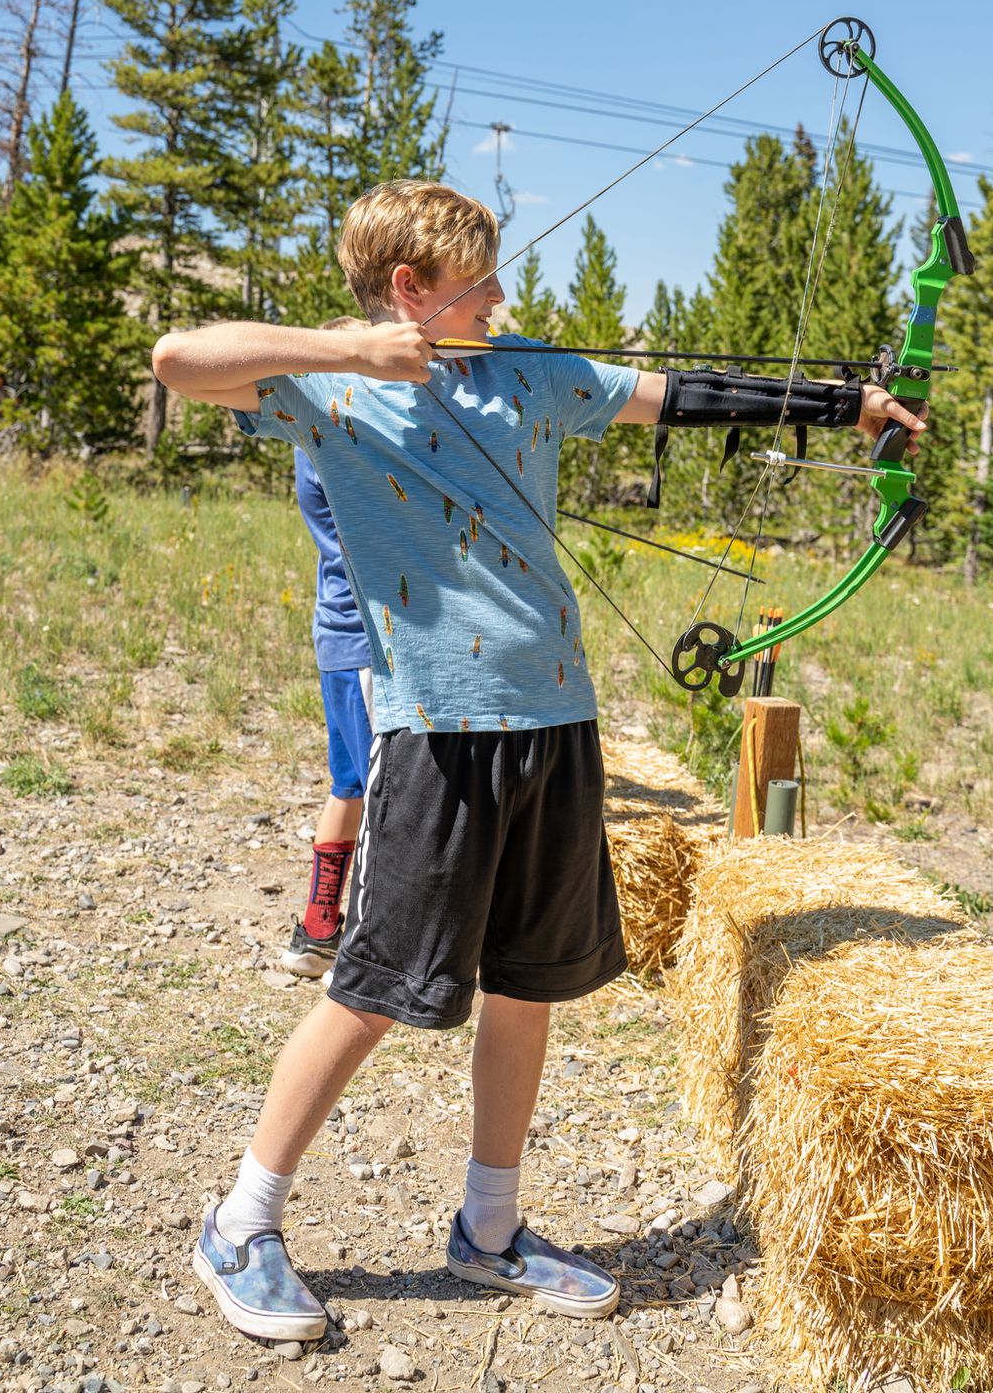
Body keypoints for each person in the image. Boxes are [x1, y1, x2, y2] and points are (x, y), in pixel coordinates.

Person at [151, 180, 923, 1344]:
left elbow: (690, 394)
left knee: (527, 984)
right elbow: (176, 355)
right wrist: (352, 346)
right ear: (409, 290)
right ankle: (241, 1222)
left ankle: (492, 1229)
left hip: (556, 720)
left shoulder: (529, 376)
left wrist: (847, 404)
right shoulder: (326, 385)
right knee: (371, 993)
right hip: (438, 734)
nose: (505, 296)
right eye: (479, 281)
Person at [280, 316, 373, 981]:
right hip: (365, 644)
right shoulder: (337, 440)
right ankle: (374, 944)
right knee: (387, 793)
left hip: (342, 639)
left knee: (350, 785)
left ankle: (317, 932)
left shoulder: (322, 433)